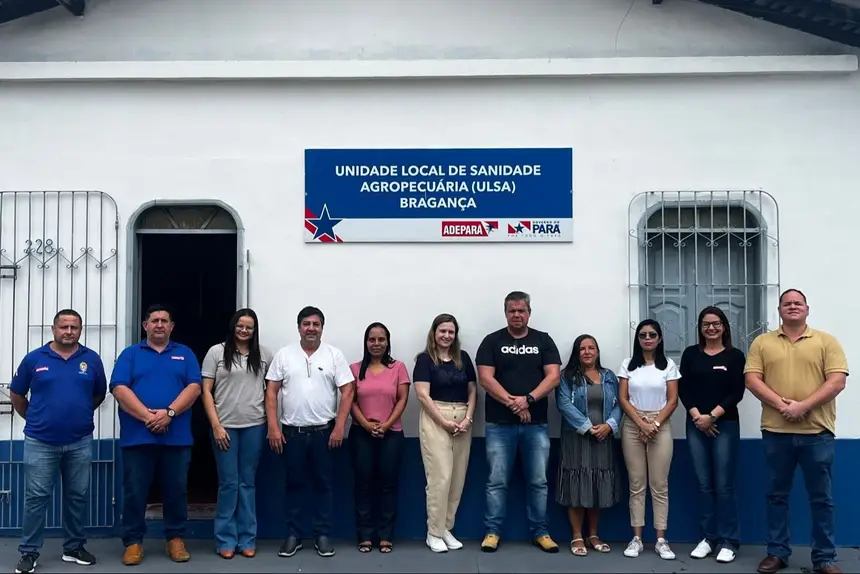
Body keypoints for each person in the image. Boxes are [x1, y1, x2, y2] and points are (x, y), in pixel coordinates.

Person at [744, 289, 848, 574]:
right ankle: (777, 553)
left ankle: (824, 557)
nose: (792, 306)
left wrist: (803, 406)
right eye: (787, 303)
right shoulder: (762, 342)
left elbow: (837, 381)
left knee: (821, 498)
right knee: (777, 495)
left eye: (797, 303)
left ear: (807, 309)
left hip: (817, 433)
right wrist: (783, 406)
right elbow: (752, 380)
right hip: (776, 433)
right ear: (779, 310)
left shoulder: (827, 341)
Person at [10, 309, 107, 574]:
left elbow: (99, 393)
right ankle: (28, 552)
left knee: (77, 497)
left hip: (80, 441)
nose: (69, 331)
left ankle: (73, 548)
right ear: (54, 329)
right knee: (36, 498)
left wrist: (80, 413)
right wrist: (36, 417)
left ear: (80, 330)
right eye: (64, 326)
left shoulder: (92, 359)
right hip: (40, 441)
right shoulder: (34, 359)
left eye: (74, 327)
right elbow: (17, 393)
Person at [110, 304, 202, 566]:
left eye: (164, 320)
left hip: (177, 438)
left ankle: (175, 539)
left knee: (176, 490)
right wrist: (149, 417)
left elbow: (194, 388)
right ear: (145, 326)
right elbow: (118, 388)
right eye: (154, 320)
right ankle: (133, 542)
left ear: (172, 326)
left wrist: (169, 414)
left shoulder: (184, 354)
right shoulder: (131, 354)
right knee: (135, 492)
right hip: (138, 437)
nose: (159, 324)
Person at [265, 306, 355, 558]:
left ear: (322, 328)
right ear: (299, 327)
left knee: (324, 485)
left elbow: (348, 390)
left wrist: (339, 426)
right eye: (306, 324)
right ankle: (293, 534)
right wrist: (273, 427)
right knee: (293, 484)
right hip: (291, 433)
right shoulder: (284, 355)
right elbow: (271, 392)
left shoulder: (334, 355)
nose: (311, 328)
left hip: (324, 433)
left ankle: (322, 535)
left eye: (316, 324)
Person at [475, 290, 562, 554]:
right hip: (499, 425)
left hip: (535, 426)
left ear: (529, 313)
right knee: (496, 481)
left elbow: (554, 376)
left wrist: (529, 400)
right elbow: (485, 379)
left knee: (538, 481)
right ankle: (492, 532)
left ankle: (541, 532)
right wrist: (514, 403)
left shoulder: (543, 341)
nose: (517, 315)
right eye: (512, 310)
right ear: (506, 313)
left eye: (521, 310)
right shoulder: (491, 341)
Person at [201, 308, 273, 559]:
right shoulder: (216, 352)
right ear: (233, 327)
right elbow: (206, 392)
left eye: (249, 327)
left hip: (255, 425)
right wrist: (216, 426)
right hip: (225, 427)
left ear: (255, 330)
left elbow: (270, 393)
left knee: (247, 483)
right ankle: (225, 540)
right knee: (229, 484)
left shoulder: (264, 355)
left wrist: (273, 425)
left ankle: (247, 539)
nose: (244, 331)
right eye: (240, 326)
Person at [679, 306, 746, 564]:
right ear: (700, 327)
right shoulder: (690, 354)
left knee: (724, 485)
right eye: (706, 324)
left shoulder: (735, 356)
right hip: (696, 425)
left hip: (725, 424)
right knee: (705, 484)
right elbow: (684, 388)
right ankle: (709, 538)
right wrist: (698, 417)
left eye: (716, 323)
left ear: (724, 326)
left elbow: (737, 392)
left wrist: (712, 416)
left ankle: (729, 541)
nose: (711, 328)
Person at [414, 313, 477, 553]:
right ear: (434, 333)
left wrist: (468, 419)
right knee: (440, 478)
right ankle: (433, 532)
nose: (447, 336)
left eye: (451, 332)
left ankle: (446, 527)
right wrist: (442, 421)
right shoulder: (424, 360)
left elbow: (473, 391)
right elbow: (422, 395)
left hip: (462, 419)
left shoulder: (463, 358)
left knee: (457, 478)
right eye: (442, 331)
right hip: (435, 417)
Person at [617, 319, 679, 561]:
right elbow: (623, 399)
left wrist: (653, 424)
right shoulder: (628, 365)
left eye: (652, 334)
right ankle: (637, 539)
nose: (647, 338)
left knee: (659, 485)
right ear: (638, 339)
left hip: (660, 426)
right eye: (643, 335)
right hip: (633, 425)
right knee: (636, 483)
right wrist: (641, 423)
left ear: (659, 338)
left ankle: (661, 539)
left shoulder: (669, 365)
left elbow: (673, 400)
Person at [555, 334, 622, 557]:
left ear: (598, 351)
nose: (587, 352)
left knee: (597, 484)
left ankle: (593, 535)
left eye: (591, 347)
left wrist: (609, 426)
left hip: (604, 438)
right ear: (577, 352)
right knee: (577, 483)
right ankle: (576, 535)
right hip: (577, 438)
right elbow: (563, 404)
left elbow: (620, 403)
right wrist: (588, 427)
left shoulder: (609, 376)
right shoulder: (567, 377)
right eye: (582, 348)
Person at [348, 322, 410, 554]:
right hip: (360, 433)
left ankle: (385, 536)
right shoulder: (354, 369)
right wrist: (365, 424)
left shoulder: (398, 368)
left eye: (381, 339)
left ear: (387, 342)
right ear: (366, 342)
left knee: (388, 485)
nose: (376, 344)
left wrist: (385, 425)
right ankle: (365, 536)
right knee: (363, 484)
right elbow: (350, 400)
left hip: (391, 434)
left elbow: (403, 399)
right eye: (372, 340)